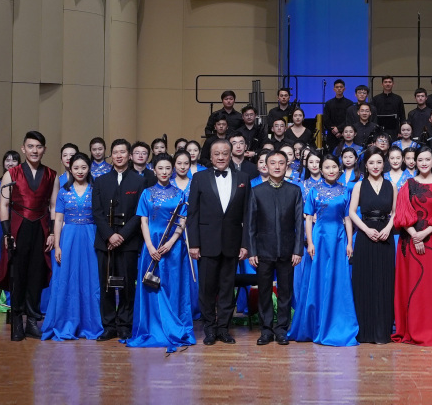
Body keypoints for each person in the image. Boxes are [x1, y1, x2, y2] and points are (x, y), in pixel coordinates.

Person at [124, 154, 196, 351]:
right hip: (152, 244)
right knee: (152, 285)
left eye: (167, 168)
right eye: (160, 168)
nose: (164, 172)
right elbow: (143, 221)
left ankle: (174, 327)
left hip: (174, 247)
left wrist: (171, 243)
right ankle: (152, 327)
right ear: (154, 170)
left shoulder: (180, 194)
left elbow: (182, 222)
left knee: (173, 286)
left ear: (172, 170)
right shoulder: (146, 193)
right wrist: (149, 247)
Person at [289, 156, 360, 347]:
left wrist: (349, 243)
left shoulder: (345, 190)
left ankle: (337, 323)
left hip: (338, 238)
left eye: (334, 167)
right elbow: (308, 218)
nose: (331, 170)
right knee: (317, 278)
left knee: (338, 279)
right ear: (321, 170)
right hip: (319, 238)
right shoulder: (314, 191)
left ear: (339, 169)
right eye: (327, 167)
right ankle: (314, 324)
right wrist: (310, 242)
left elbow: (348, 218)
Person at [186, 140, 250, 346]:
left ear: (230, 155)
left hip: (232, 243)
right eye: (217, 154)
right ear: (211, 157)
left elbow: (247, 214)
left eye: (224, 153)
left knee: (227, 288)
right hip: (206, 243)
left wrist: (245, 244)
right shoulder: (199, 178)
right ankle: (209, 328)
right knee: (206, 289)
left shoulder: (243, 178)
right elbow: (192, 213)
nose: (221, 157)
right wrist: (194, 244)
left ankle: (223, 328)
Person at [0, 131, 57, 341]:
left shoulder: (51, 174)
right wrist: (7, 233)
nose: (34, 150)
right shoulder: (11, 173)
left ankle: (32, 321)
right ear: (23, 148)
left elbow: (53, 206)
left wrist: (52, 233)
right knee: (18, 275)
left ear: (44, 149)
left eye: (38, 147)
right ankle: (16, 322)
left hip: (40, 229)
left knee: (36, 275)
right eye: (30, 146)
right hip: (17, 228)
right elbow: (4, 205)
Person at [391, 150, 432, 346]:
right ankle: (411, 328)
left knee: (431, 286)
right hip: (409, 242)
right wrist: (415, 235)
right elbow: (401, 212)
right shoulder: (407, 185)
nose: (424, 163)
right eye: (420, 160)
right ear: (414, 162)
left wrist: (423, 234)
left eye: (427, 159)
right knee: (412, 285)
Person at [245, 152, 306, 346]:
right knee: (264, 292)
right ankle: (266, 330)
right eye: (273, 163)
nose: (277, 166)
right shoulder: (257, 191)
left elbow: (299, 223)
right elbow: (250, 225)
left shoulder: (294, 191)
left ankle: (281, 330)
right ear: (266, 166)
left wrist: (298, 250)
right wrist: (252, 251)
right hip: (263, 250)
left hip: (288, 250)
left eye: (281, 163)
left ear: (287, 165)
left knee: (285, 292)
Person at [43, 153, 104, 339]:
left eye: (84, 167)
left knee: (91, 279)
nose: (80, 171)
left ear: (89, 168)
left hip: (91, 236)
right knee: (66, 280)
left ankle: (90, 323)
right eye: (76, 168)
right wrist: (57, 245)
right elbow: (58, 219)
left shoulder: (96, 189)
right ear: (70, 169)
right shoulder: (63, 191)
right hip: (68, 238)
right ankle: (66, 322)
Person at [91, 139, 143, 340]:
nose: (119, 156)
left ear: (129, 155)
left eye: (123, 152)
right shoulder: (101, 180)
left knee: (128, 284)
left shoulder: (139, 181)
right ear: (111, 156)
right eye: (115, 152)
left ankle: (125, 324)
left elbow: (140, 213)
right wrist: (110, 235)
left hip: (128, 242)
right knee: (106, 284)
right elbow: (97, 212)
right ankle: (109, 325)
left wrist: (122, 235)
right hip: (105, 241)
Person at [348, 149, 396, 344]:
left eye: (378, 162)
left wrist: (388, 228)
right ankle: (365, 331)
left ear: (383, 164)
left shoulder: (391, 185)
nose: (375, 166)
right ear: (366, 166)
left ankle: (382, 332)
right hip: (365, 235)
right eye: (371, 163)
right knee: (365, 282)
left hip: (386, 236)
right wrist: (366, 230)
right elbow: (352, 212)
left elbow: (395, 212)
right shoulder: (359, 185)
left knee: (385, 282)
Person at [323, 79, 354, 148]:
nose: (339, 89)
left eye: (341, 87)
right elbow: (326, 119)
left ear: (344, 89)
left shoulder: (349, 103)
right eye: (337, 87)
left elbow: (349, 119)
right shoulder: (328, 103)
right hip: (331, 134)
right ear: (334, 89)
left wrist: (339, 129)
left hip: (345, 134)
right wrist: (335, 131)